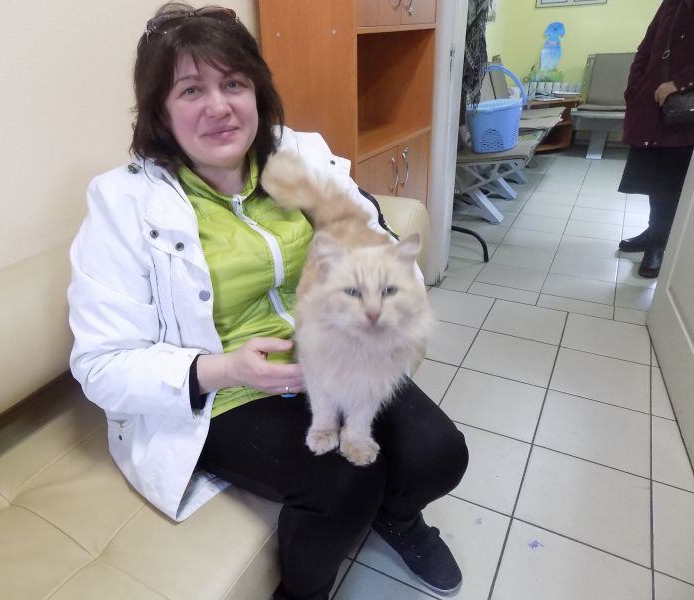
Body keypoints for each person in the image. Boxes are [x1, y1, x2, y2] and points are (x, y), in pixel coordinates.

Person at [67, 3, 468, 599]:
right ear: (159, 112)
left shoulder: (297, 160)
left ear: (257, 91)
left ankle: (398, 516)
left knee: (440, 453)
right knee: (344, 478)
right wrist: (227, 369)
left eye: (233, 83)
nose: (219, 106)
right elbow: (99, 364)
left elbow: (377, 237)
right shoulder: (120, 205)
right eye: (190, 90)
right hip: (225, 390)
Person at [618, 0, 694, 278]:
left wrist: (680, 83)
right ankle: (653, 231)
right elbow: (647, 47)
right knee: (654, 179)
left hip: (681, 110)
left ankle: (659, 244)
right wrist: (634, 87)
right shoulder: (670, 3)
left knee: (671, 183)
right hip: (650, 107)